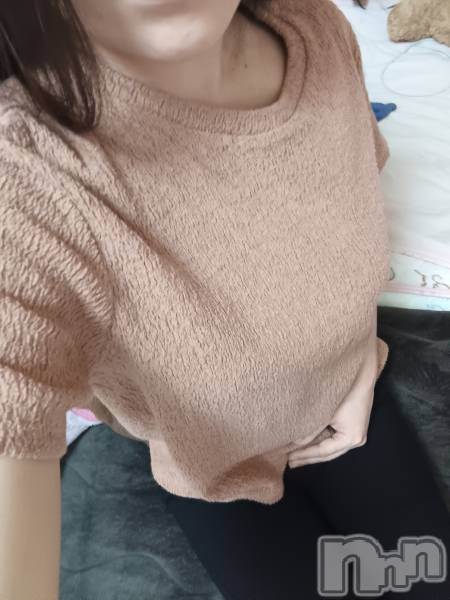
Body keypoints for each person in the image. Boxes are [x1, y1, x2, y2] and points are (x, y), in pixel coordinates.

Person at [0, 0, 448, 598]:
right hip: (212, 473)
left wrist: (361, 357)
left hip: (349, 399)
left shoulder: (317, 29)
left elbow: (355, 207)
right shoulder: (26, 169)